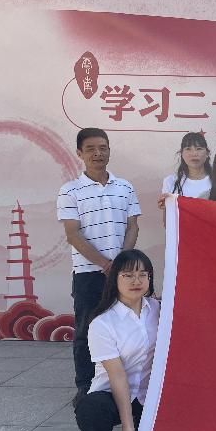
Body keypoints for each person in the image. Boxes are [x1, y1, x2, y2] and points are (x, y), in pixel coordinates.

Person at [57, 128, 141, 408]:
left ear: (109, 151)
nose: (98, 153)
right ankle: (85, 387)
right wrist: (105, 264)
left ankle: (128, 385)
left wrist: (121, 263)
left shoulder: (125, 187)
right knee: (85, 330)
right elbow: (73, 234)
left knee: (125, 330)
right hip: (88, 274)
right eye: (91, 149)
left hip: (123, 275)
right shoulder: (69, 190)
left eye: (103, 148)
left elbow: (132, 226)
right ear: (79, 153)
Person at [74, 249, 159, 431]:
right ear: (115, 279)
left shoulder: (159, 309)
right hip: (114, 394)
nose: (136, 281)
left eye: (143, 274)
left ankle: (147, 428)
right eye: (128, 275)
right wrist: (127, 426)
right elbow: (117, 377)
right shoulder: (102, 323)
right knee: (88, 410)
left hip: (150, 395)